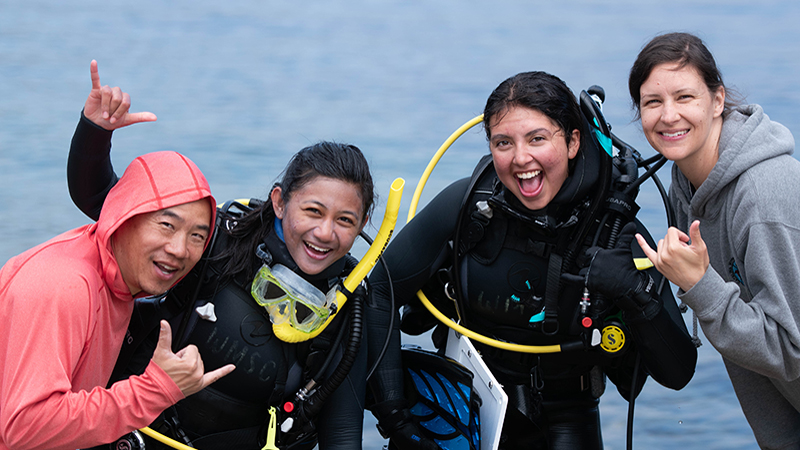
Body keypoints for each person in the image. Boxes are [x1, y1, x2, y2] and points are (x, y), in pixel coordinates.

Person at [365, 71, 698, 449]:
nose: (521, 159)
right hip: (465, 409)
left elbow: (678, 371)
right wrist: (396, 418)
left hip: (569, 415)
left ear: (573, 142)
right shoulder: (470, 207)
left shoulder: (614, 232)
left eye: (537, 139)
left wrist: (634, 291)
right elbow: (379, 291)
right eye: (503, 142)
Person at [67, 61, 376, 449]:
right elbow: (100, 200)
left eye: (345, 220)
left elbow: (343, 432)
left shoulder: (349, 306)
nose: (324, 233)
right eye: (312, 211)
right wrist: (95, 132)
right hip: (129, 435)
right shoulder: (216, 242)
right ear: (280, 202)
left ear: (364, 221)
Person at [0, 76, 234, 448]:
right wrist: (155, 390)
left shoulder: (121, 282)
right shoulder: (62, 285)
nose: (179, 248)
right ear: (123, 216)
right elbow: (23, 427)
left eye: (196, 235)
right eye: (166, 225)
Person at [629, 32, 800, 449]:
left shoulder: (763, 194)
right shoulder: (686, 183)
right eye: (653, 102)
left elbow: (790, 351)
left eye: (685, 97)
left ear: (718, 100)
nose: (669, 116)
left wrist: (700, 287)